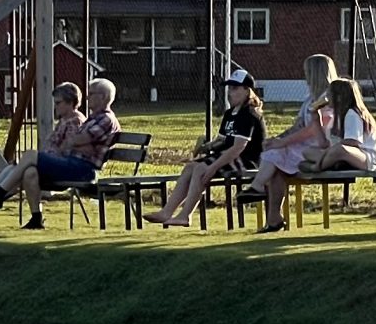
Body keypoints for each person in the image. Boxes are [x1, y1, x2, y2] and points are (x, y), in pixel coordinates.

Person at [0, 78, 120, 229]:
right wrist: (77, 143)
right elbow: (73, 143)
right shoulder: (91, 119)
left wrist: (76, 143)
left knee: (31, 155)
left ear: (104, 97)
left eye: (92, 93)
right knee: (29, 171)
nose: (88, 96)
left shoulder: (106, 119)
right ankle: (34, 219)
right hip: (72, 164)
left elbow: (77, 140)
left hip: (82, 170)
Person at [146, 69, 266, 226]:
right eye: (229, 88)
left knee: (201, 169)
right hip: (229, 156)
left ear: (247, 90)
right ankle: (166, 212)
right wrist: (205, 147)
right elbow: (222, 140)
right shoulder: (230, 113)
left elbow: (238, 147)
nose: (230, 92)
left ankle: (185, 215)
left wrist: (213, 167)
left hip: (247, 159)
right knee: (190, 167)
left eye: (235, 88)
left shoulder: (249, 113)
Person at [245, 55, 340, 233]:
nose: (304, 75)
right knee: (276, 167)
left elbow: (312, 130)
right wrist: (277, 139)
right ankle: (274, 219)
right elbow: (298, 126)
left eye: (307, 71)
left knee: (276, 156)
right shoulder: (309, 99)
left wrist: (283, 143)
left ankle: (256, 187)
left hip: (319, 148)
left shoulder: (328, 99)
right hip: (301, 146)